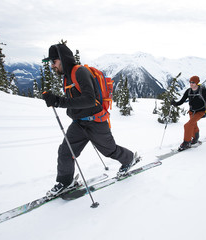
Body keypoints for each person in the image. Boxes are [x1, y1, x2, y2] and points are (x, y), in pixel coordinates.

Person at [41, 44, 138, 197]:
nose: (52, 65)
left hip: (96, 122)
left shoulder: (80, 72)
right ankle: (66, 182)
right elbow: (74, 99)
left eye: (54, 61)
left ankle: (129, 158)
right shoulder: (67, 76)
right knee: (66, 152)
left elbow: (90, 100)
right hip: (79, 123)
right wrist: (57, 101)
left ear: (63, 59)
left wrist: (59, 101)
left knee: (109, 150)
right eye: (51, 63)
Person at [171, 76, 206, 151]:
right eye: (190, 82)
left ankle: (186, 142)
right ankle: (195, 138)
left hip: (200, 111)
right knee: (193, 124)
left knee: (187, 125)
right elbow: (182, 101)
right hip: (191, 111)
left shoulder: (203, 91)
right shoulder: (188, 91)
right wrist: (175, 103)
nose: (191, 84)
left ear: (197, 83)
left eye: (193, 82)